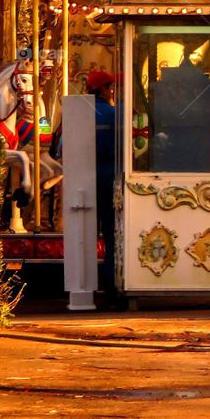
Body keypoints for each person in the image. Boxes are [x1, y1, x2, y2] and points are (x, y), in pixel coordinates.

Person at [84, 71, 117, 302]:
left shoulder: (80, 113)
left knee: (85, 233)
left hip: (84, 180)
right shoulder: (113, 114)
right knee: (111, 232)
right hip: (108, 177)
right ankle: (109, 282)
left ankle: (85, 283)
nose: (112, 91)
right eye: (110, 87)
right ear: (103, 89)